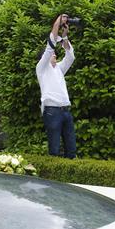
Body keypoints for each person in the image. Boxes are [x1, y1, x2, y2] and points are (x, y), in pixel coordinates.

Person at [36, 14, 76, 158]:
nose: (53, 53)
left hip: (66, 111)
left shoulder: (59, 68)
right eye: (51, 53)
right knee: (54, 150)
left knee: (71, 150)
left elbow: (70, 57)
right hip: (52, 112)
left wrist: (64, 36)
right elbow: (51, 43)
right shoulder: (41, 68)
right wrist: (58, 22)